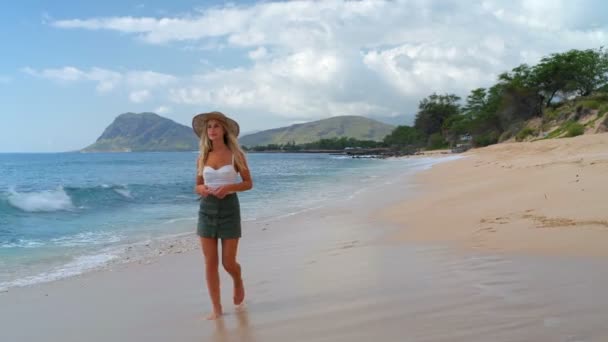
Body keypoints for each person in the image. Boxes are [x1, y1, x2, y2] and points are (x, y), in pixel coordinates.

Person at [192, 111, 253, 320]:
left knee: (228, 263)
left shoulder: (236, 155)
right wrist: (203, 190)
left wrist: (228, 187)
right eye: (209, 127)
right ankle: (216, 308)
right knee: (210, 263)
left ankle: (237, 280)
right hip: (206, 209)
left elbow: (248, 183)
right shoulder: (202, 157)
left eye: (216, 126)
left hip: (229, 209)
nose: (212, 130)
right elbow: (197, 186)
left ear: (224, 130)